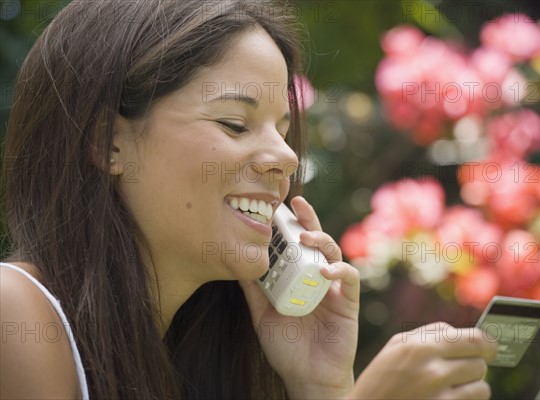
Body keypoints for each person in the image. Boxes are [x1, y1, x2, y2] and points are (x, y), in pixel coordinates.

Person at [0, 0, 497, 399]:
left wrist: (320, 387)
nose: (285, 157)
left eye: (283, 130)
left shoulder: (186, 360)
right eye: (234, 124)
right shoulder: (15, 313)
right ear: (107, 141)